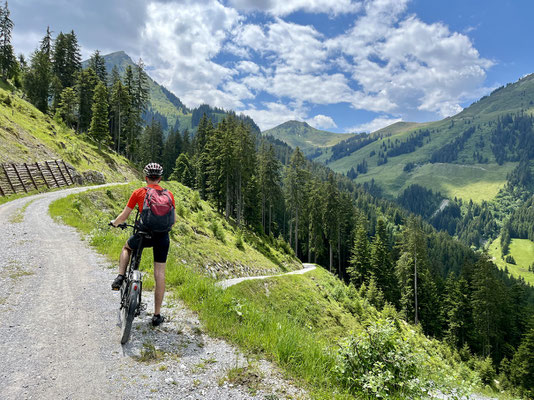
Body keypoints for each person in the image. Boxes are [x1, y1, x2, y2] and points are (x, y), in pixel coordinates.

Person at [110, 163, 176, 327]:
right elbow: (173, 221)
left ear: (145, 177)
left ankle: (120, 276)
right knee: (159, 274)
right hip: (162, 238)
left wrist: (114, 223)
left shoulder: (139, 192)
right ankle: (156, 315)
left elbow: (124, 216)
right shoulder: (169, 195)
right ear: (160, 178)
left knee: (127, 247)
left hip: (143, 236)